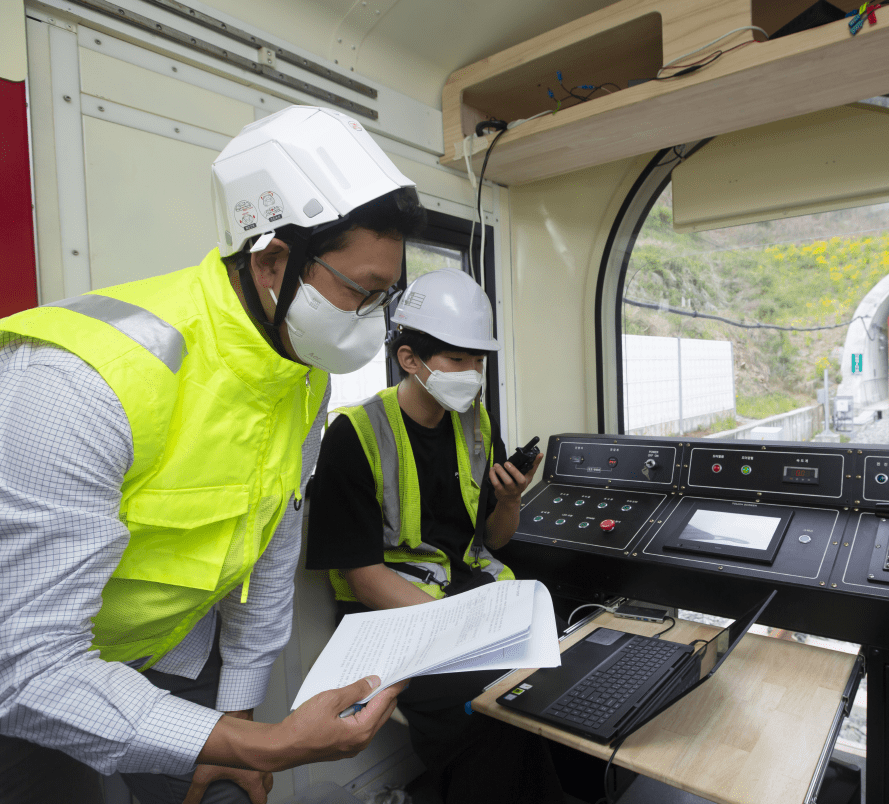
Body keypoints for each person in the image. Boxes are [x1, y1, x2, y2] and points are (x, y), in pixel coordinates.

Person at [0, 105, 426, 804]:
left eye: (386, 297)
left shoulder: (301, 371)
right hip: (31, 675)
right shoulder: (81, 382)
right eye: (359, 292)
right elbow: (26, 665)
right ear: (271, 261)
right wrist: (271, 745)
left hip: (171, 651)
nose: (371, 323)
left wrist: (238, 709)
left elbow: (271, 539)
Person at [306, 268, 563, 804]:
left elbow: (492, 539)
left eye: (478, 360)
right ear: (410, 360)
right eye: (457, 360)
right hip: (391, 617)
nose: (471, 374)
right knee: (485, 708)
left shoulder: (476, 422)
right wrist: (459, 628)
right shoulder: (354, 435)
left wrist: (511, 499)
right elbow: (364, 576)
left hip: (469, 599)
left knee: (544, 681)